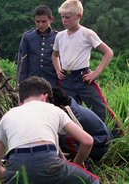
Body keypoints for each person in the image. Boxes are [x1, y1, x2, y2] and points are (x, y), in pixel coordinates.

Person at [0, 76, 101, 184]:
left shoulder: (7, 116)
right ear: (45, 97)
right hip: (48, 160)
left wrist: (15, 178)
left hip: (17, 162)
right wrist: (77, 164)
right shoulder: (53, 109)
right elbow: (87, 141)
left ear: (20, 102)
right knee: (92, 183)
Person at [51, 0, 122, 137]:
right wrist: (57, 69)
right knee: (69, 112)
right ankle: (80, 143)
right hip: (66, 79)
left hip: (84, 78)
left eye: (68, 17)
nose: (64, 20)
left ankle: (118, 138)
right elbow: (54, 55)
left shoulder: (87, 33)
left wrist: (96, 73)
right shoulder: (60, 36)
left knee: (100, 108)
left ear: (79, 16)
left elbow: (108, 52)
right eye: (62, 17)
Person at [52, 86, 112, 162]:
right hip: (99, 141)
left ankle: (81, 162)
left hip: (99, 147)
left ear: (60, 107)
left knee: (65, 135)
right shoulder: (70, 106)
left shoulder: (72, 114)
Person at [17, 5, 58, 86]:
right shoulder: (27, 37)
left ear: (51, 19)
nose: (40, 25)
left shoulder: (58, 36)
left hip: (52, 81)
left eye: (44, 21)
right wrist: (21, 83)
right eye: (37, 21)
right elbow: (22, 62)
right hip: (32, 82)